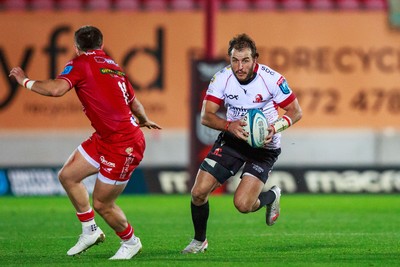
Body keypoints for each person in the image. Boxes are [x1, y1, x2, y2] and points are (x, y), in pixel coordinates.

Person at [9, 25, 161, 260]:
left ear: (76, 46)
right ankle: (90, 230)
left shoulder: (80, 63)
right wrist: (144, 120)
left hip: (123, 144)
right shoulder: (114, 67)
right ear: (101, 44)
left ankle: (130, 242)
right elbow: (135, 103)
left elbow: (56, 90)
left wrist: (24, 81)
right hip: (106, 138)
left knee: (102, 203)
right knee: (68, 176)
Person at [181, 33, 302, 254]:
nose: (240, 66)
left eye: (245, 60)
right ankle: (199, 241)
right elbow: (206, 116)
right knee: (198, 193)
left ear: (255, 58)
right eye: (235, 60)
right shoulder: (221, 79)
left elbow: (296, 112)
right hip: (233, 140)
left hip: (264, 148)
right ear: (229, 59)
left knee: (243, 205)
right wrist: (229, 126)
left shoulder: (272, 79)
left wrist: (274, 128)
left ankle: (271, 196)